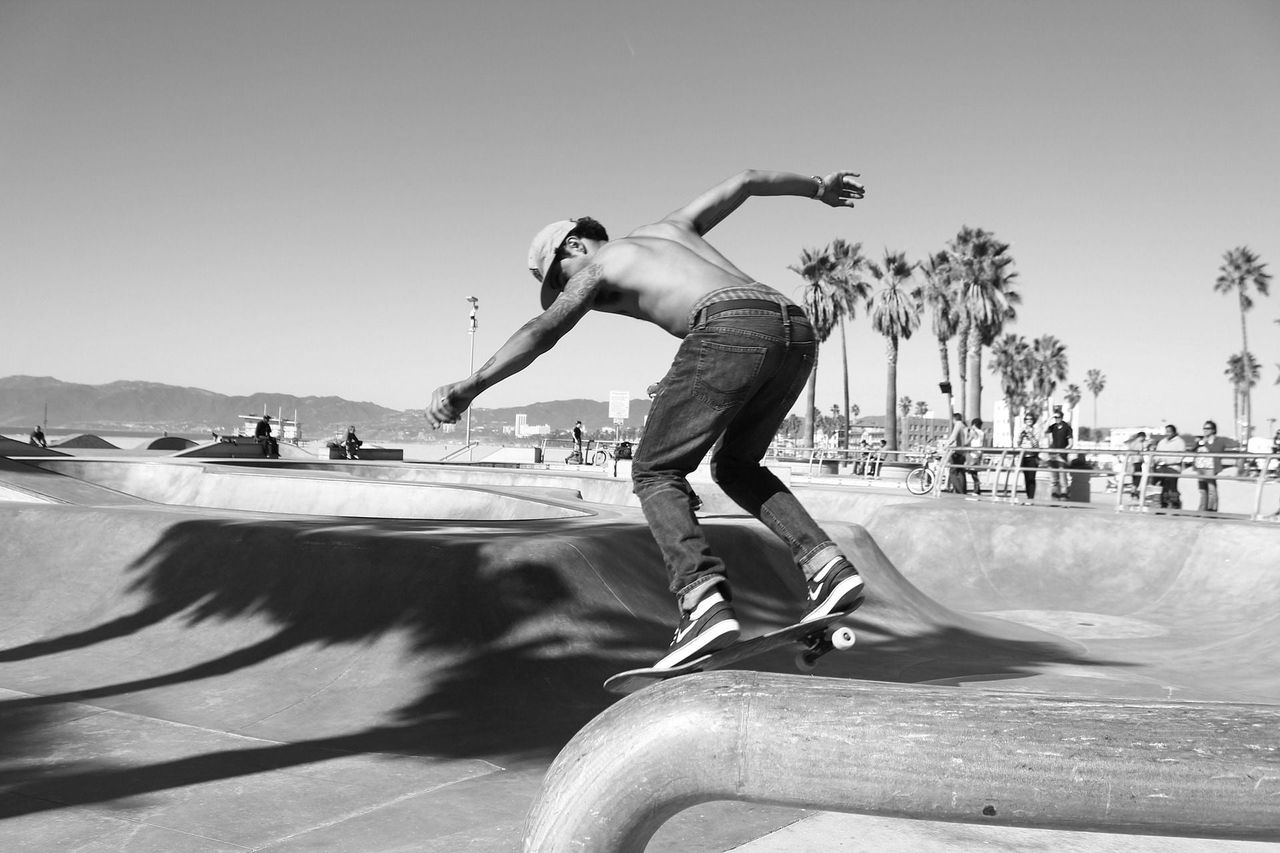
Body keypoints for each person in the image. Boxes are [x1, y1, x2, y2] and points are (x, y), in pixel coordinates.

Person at [427, 168, 869, 669]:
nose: (583, 299)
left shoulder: (602, 263)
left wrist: (471, 386)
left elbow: (542, 331)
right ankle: (827, 568)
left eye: (563, 280)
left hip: (727, 325)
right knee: (737, 466)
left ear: (574, 246)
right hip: (793, 327)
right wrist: (816, 187)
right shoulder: (674, 227)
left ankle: (701, 601)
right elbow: (745, 181)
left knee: (655, 470)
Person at [1193, 419, 1227, 513]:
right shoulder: (1201, 441)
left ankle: (1212, 509)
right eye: (1204, 428)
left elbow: (1217, 451)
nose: (1205, 430)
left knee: (1212, 489)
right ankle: (1201, 509)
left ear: (1213, 430)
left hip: (1211, 467)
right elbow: (1194, 451)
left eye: (1208, 428)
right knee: (1202, 490)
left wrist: (1205, 443)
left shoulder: (1219, 441)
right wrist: (1199, 443)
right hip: (1201, 466)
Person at [1153, 424, 1186, 509]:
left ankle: (1175, 504)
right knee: (1160, 485)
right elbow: (1157, 454)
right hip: (1162, 467)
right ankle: (1162, 503)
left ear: (1174, 432)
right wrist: (1156, 460)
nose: (1167, 434)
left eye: (1169, 432)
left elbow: (1180, 457)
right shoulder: (1162, 442)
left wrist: (1167, 461)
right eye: (1166, 432)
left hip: (1173, 467)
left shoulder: (1180, 442)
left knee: (1172, 486)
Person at [1045, 408, 1073, 499]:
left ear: (1062, 417)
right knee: (1053, 480)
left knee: (1063, 480)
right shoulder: (1053, 426)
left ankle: (1064, 500)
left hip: (1062, 456)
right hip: (1052, 456)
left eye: (1058, 417)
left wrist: (1063, 452)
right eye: (1055, 417)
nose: (1057, 419)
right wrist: (1050, 418)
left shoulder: (1067, 427)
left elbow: (1070, 444)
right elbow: (1045, 430)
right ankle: (1054, 499)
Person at [1015, 412, 1041, 501]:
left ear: (1033, 421)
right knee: (1026, 478)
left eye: (1030, 419)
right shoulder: (1021, 429)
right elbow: (1018, 443)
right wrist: (1021, 437)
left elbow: (1036, 445)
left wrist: (1030, 435)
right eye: (1026, 419)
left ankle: (1031, 498)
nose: (1028, 421)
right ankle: (1028, 497)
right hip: (1023, 456)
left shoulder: (1036, 430)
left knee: (1031, 478)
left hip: (1032, 457)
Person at [943, 412, 967, 494]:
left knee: (952, 472)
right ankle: (963, 490)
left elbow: (953, 437)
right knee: (960, 472)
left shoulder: (958, 424)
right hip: (963, 452)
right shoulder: (964, 426)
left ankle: (959, 490)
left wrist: (946, 445)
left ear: (954, 419)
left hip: (957, 451)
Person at [965, 417, 985, 495]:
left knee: (973, 472)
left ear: (974, 424)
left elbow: (967, 442)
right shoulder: (982, 433)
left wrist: (966, 433)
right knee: (974, 472)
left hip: (973, 453)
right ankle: (977, 489)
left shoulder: (973, 432)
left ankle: (976, 488)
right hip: (979, 453)